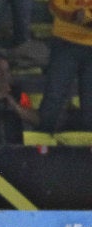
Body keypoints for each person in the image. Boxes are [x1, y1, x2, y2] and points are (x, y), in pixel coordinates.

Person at [38, 0, 92, 133]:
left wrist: (86, 16)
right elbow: (54, 4)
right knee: (53, 97)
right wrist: (75, 15)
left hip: (67, 42)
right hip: (65, 41)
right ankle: (42, 146)